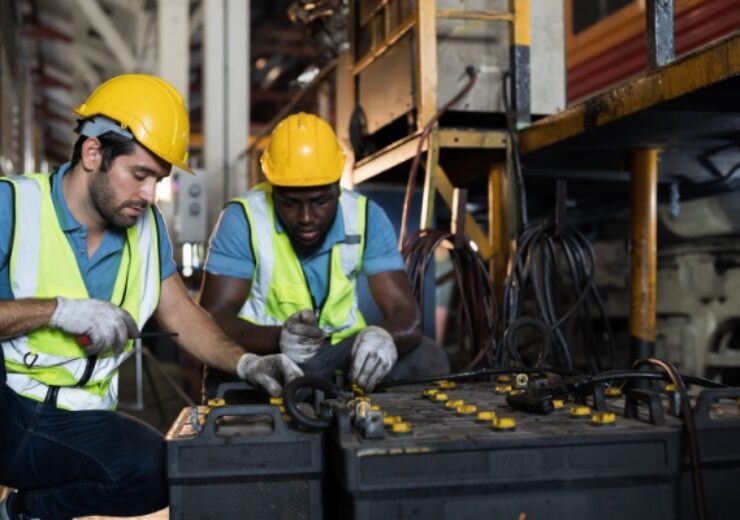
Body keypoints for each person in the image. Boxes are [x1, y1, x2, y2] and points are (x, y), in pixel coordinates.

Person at [0, 74, 302, 520]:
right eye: (139, 175)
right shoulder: (12, 206)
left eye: (158, 179)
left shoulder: (147, 228)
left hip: (79, 419)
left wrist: (246, 363)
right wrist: (57, 311)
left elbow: (182, 313)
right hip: (9, 406)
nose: (149, 194)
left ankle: (26, 511)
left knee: (157, 471)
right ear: (93, 154)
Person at [200, 112, 449, 400]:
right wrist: (277, 338)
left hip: (340, 354)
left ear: (337, 187)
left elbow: (406, 313)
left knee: (428, 357)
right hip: (268, 356)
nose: (306, 217)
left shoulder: (367, 217)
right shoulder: (243, 219)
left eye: (319, 201)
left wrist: (383, 337)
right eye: (290, 203)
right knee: (221, 376)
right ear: (274, 190)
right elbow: (211, 318)